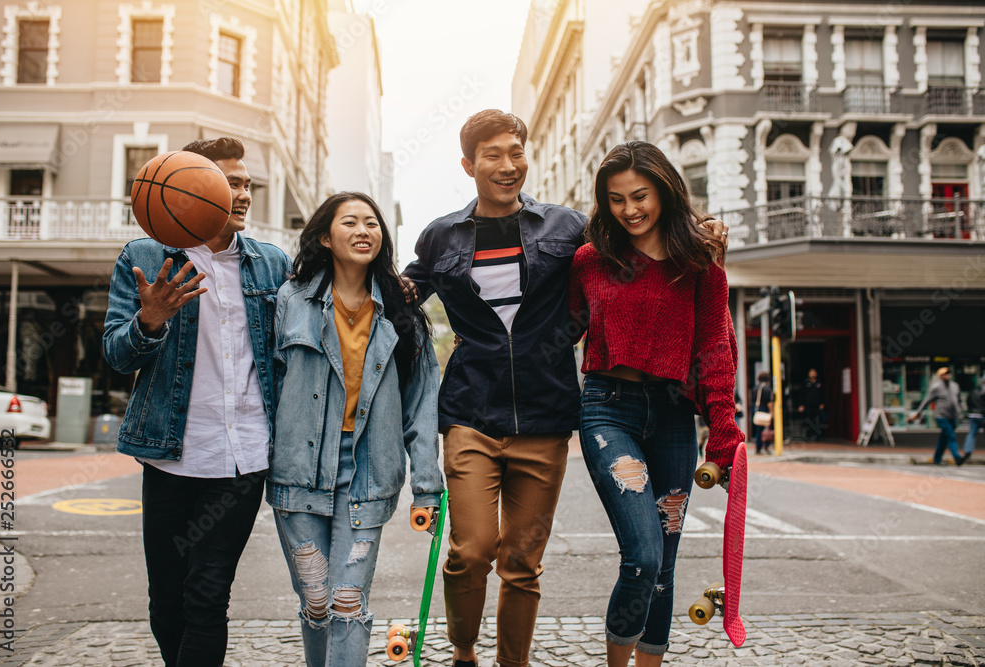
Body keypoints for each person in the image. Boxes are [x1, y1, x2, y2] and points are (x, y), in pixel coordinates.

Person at [402, 110, 728, 667]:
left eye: (516, 152)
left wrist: (701, 233)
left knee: (525, 560)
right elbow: (404, 289)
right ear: (468, 164)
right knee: (472, 549)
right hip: (470, 411)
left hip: (546, 412)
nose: (508, 165)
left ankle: (515, 662)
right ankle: (462, 650)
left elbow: (639, 238)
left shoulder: (566, 229)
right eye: (493, 155)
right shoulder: (441, 236)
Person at [103, 137, 292, 666]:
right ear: (193, 187)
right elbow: (116, 354)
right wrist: (150, 322)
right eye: (229, 182)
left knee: (207, 597)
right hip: (170, 455)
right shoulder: (144, 257)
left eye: (247, 184)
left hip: (244, 459)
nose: (243, 194)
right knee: (166, 603)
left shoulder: (272, 264)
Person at [568, 141, 743, 667]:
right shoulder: (590, 260)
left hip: (672, 416)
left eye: (640, 195)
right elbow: (563, 333)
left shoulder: (699, 263)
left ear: (665, 190)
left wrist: (724, 430)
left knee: (665, 564)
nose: (630, 209)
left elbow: (715, 348)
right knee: (642, 556)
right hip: (607, 409)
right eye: (616, 199)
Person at [266, 192, 444, 667]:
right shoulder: (291, 300)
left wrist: (427, 486)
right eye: (350, 222)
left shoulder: (403, 313)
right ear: (326, 236)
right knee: (317, 599)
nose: (364, 230)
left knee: (347, 601)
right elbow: (268, 384)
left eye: (372, 222)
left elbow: (422, 406)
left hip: (367, 472)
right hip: (298, 470)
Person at [908, 367, 964, 466]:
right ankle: (957, 457)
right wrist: (918, 412)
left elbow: (959, 400)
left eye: (948, 373)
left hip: (953, 416)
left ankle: (937, 459)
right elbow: (927, 400)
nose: (947, 375)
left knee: (944, 438)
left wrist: (960, 411)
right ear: (940, 376)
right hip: (941, 416)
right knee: (950, 436)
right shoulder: (936, 387)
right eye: (945, 374)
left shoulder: (955, 386)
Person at [797, 368, 825, 441]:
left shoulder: (819, 383)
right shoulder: (805, 383)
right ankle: (808, 435)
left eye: (814, 372)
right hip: (807, 406)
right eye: (811, 372)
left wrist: (822, 403)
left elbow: (823, 394)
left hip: (817, 405)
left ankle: (818, 436)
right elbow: (801, 394)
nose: (813, 374)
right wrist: (801, 404)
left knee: (818, 421)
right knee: (808, 421)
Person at [963, 373, 984, 463]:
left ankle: (968, 450)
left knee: (972, 433)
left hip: (972, 415)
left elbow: (968, 401)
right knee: (972, 433)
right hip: (982, 415)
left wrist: (970, 411)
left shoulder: (974, 390)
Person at [751, 371, 774, 454]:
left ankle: (758, 447)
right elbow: (769, 403)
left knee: (758, 430)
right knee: (768, 428)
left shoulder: (755, 388)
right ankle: (766, 445)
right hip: (763, 410)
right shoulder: (767, 389)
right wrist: (772, 412)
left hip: (755, 410)